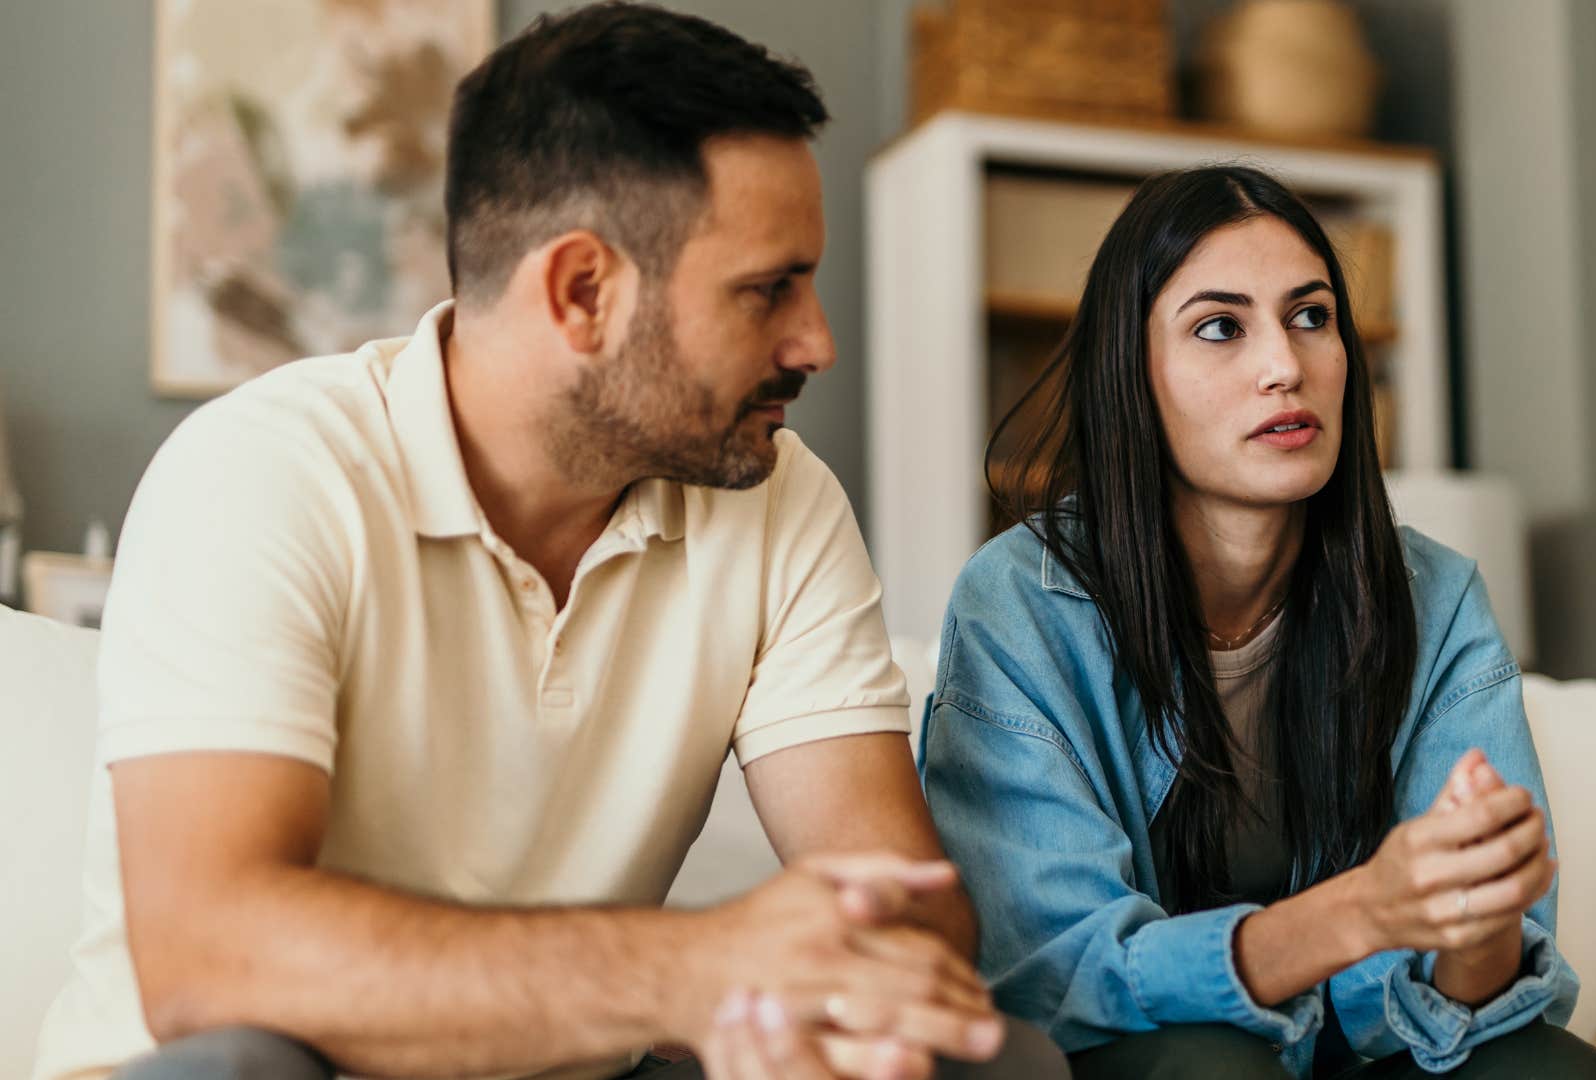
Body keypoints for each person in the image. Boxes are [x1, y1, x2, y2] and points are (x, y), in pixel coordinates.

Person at [31, 5, 1068, 1080]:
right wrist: (687, 970)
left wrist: (809, 1013)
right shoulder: (261, 473)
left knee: (1000, 1064)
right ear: (583, 292)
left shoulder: (778, 497)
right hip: (261, 1066)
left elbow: (904, 915)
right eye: (769, 290)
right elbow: (213, 958)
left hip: (581, 1068)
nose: (817, 341)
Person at [916, 166, 1596, 1079]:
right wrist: (1360, 912)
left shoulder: (1434, 598)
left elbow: (1474, 1000)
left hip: (1363, 1051)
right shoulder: (1020, 601)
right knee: (1210, 1065)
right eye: (1219, 327)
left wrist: (1472, 920)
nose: (1285, 366)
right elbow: (1058, 968)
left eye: (1311, 316)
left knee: (1547, 1066)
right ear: (1133, 372)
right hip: (1139, 1055)